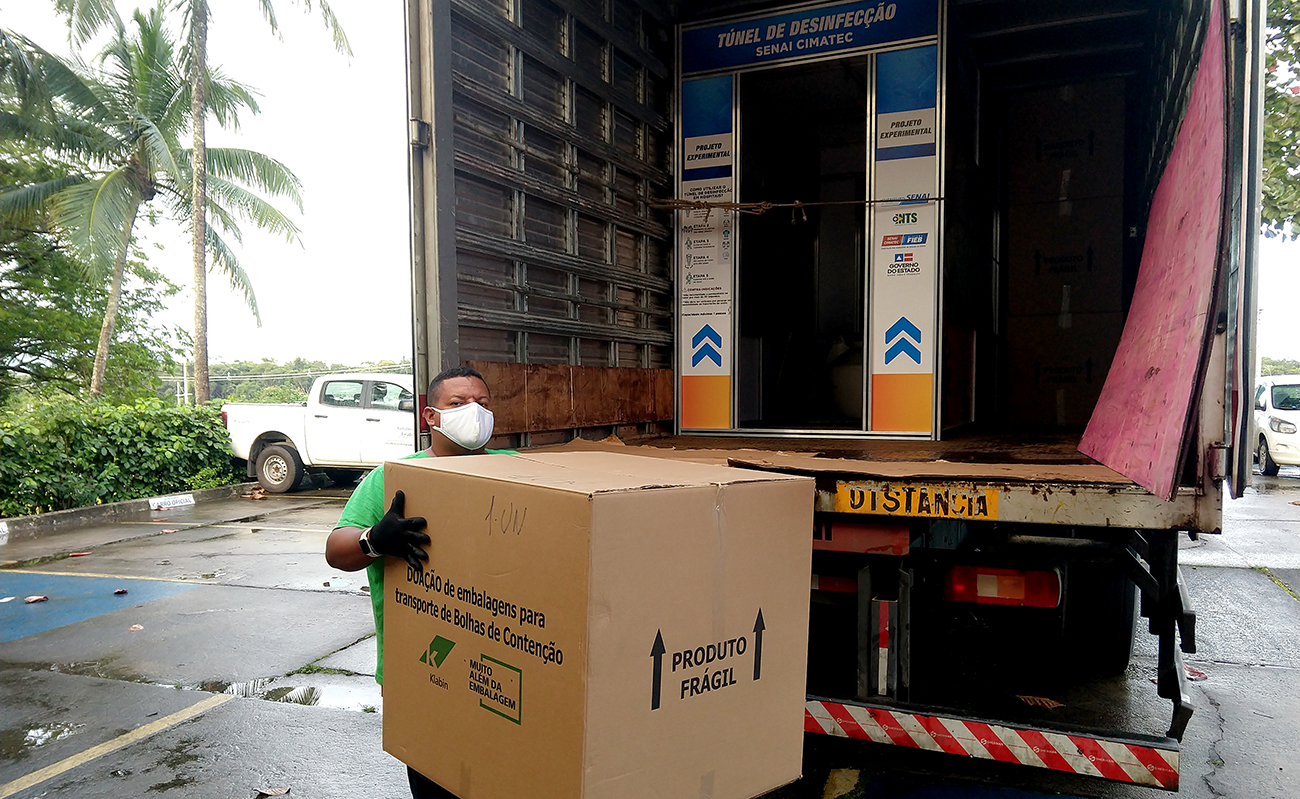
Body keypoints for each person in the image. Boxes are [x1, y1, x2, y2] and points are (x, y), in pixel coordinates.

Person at [325, 365, 511, 799]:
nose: (474, 412)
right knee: (436, 779)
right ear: (431, 416)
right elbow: (336, 550)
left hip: (501, 659)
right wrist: (375, 540)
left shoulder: (517, 469)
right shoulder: (393, 478)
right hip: (423, 663)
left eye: (482, 404)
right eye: (458, 403)